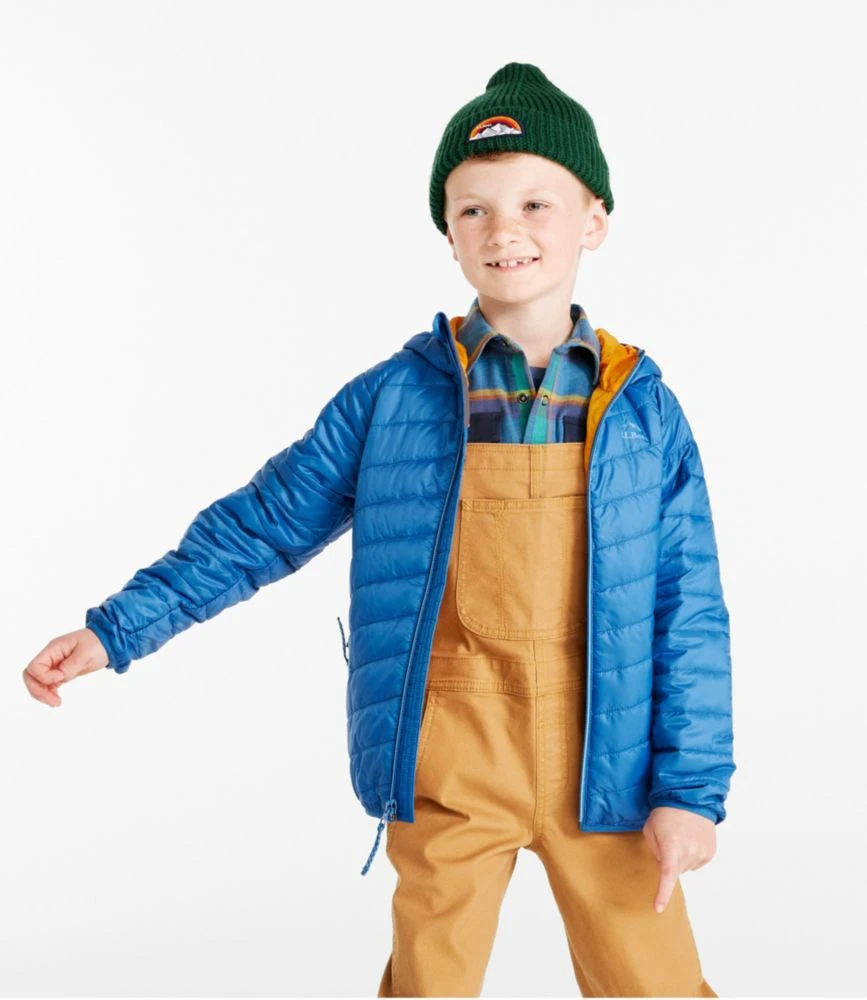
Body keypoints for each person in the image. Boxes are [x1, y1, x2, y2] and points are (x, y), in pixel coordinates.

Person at [24, 62, 735, 997]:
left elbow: (689, 610)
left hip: (610, 765)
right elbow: (260, 526)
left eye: (535, 203)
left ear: (593, 220)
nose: (504, 229)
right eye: (474, 209)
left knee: (655, 983)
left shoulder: (640, 410)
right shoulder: (392, 399)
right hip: (449, 754)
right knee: (429, 984)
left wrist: (689, 792)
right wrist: (116, 630)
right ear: (449, 233)